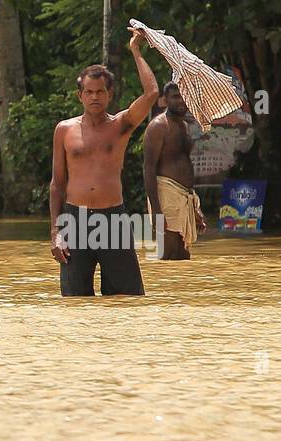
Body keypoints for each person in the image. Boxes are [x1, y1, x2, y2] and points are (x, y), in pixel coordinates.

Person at [49, 29, 158, 296]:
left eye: (100, 91)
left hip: (113, 220)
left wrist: (135, 50)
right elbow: (57, 184)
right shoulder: (64, 130)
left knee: (126, 299)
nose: (95, 97)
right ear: (80, 96)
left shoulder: (120, 125)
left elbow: (152, 92)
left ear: (109, 94)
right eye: (89, 92)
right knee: (75, 300)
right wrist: (55, 231)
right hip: (75, 219)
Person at [143, 82, 206, 259]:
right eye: (175, 97)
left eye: (184, 96)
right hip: (166, 195)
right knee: (168, 255)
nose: (181, 101)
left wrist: (195, 208)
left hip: (184, 197)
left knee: (183, 256)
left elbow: (184, 164)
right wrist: (156, 210)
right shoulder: (158, 126)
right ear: (165, 100)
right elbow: (148, 168)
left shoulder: (185, 127)